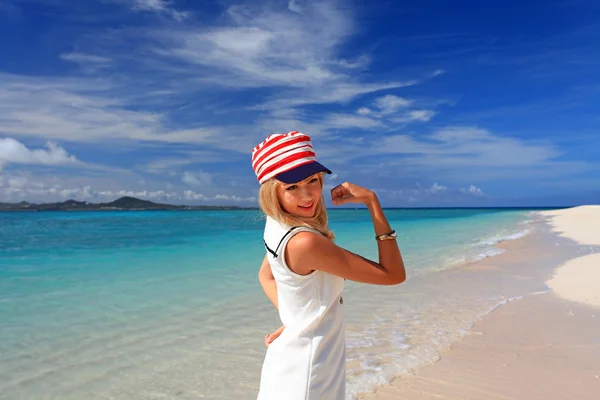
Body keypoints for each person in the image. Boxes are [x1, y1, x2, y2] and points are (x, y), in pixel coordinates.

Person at [252, 131, 406, 400]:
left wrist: (297, 319)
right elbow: (393, 275)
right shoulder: (304, 242)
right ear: (272, 192)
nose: (308, 194)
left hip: (293, 368)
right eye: (292, 187)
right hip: (309, 379)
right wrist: (372, 202)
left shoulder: (276, 225)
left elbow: (265, 277)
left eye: (312, 180)